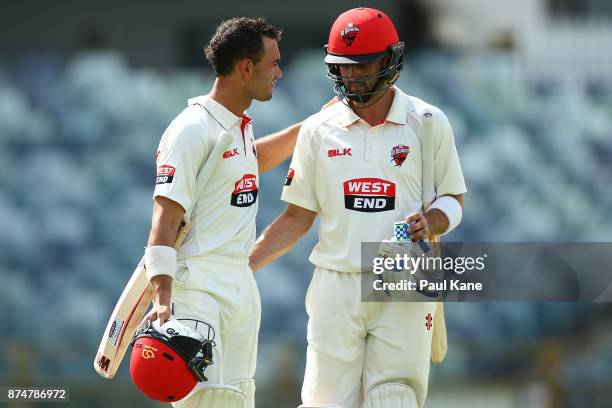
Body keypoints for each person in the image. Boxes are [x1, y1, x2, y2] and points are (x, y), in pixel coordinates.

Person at [249, 8, 466, 408]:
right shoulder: (317, 129)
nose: (352, 76)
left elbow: (453, 201)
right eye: (343, 67)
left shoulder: (428, 121)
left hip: (402, 275)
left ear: (390, 61)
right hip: (336, 282)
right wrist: (242, 267)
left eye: (363, 65)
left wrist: (431, 219)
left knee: (395, 399)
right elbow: (297, 217)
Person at [143, 17, 300, 408]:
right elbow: (165, 215)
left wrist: (311, 127)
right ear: (246, 67)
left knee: (237, 396)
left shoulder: (237, 126)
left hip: (239, 282)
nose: (279, 73)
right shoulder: (192, 128)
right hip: (198, 284)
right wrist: (163, 296)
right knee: (205, 401)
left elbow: (249, 161)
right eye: (274, 64)